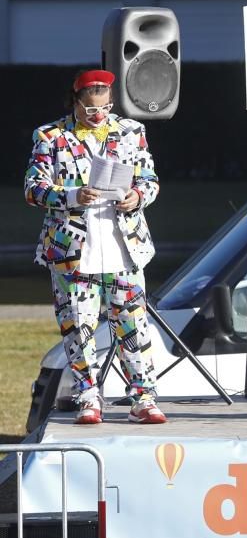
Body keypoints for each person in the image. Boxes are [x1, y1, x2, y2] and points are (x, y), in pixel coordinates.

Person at [24, 69, 166, 425]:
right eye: (91, 110)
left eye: (105, 108)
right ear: (75, 102)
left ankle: (143, 397)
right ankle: (88, 396)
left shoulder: (132, 132)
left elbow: (149, 180)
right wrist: (72, 196)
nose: (99, 115)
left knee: (133, 324)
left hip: (123, 246)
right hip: (73, 250)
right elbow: (32, 189)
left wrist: (137, 196)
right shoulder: (51, 136)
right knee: (79, 326)